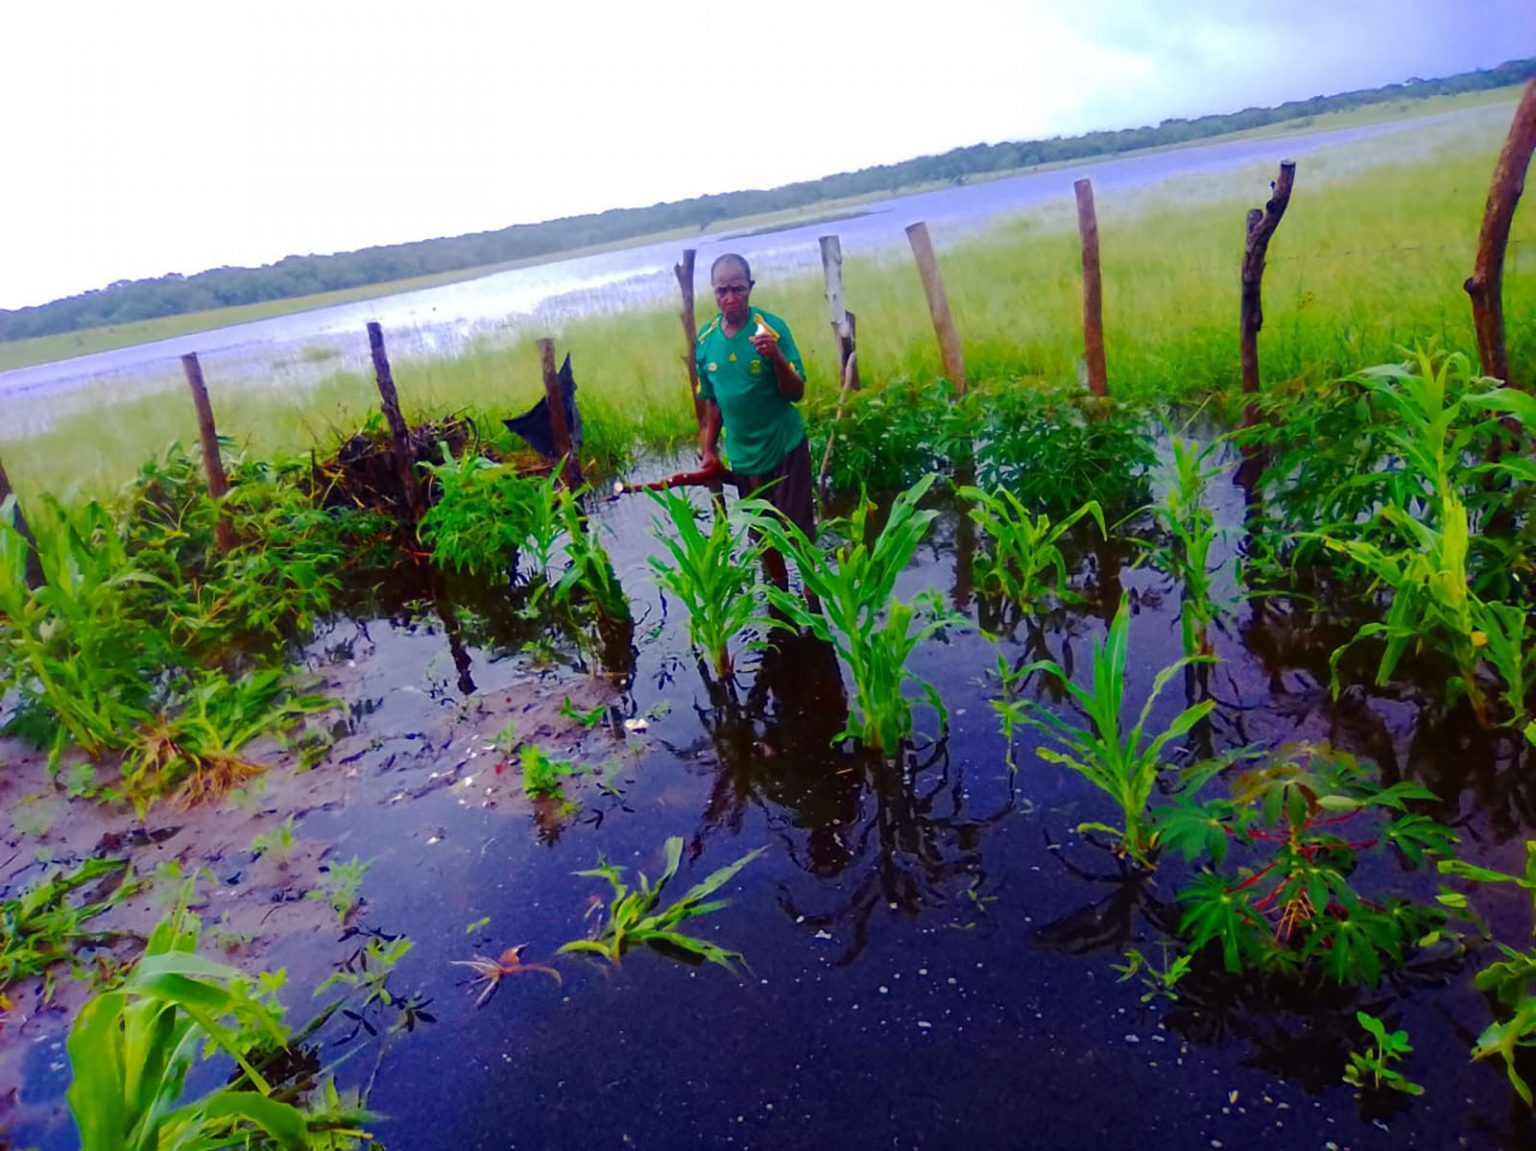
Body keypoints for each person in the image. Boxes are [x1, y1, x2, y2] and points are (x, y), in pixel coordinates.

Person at [695, 252, 816, 596]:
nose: (729, 298)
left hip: (785, 447)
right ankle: (780, 595)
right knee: (762, 534)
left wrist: (775, 357)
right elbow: (713, 401)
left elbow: (796, 392)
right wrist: (709, 449)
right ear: (713, 292)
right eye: (721, 291)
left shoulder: (770, 328)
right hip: (745, 457)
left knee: (800, 529)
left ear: (751, 287)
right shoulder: (705, 341)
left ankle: (812, 596)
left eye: (737, 289)